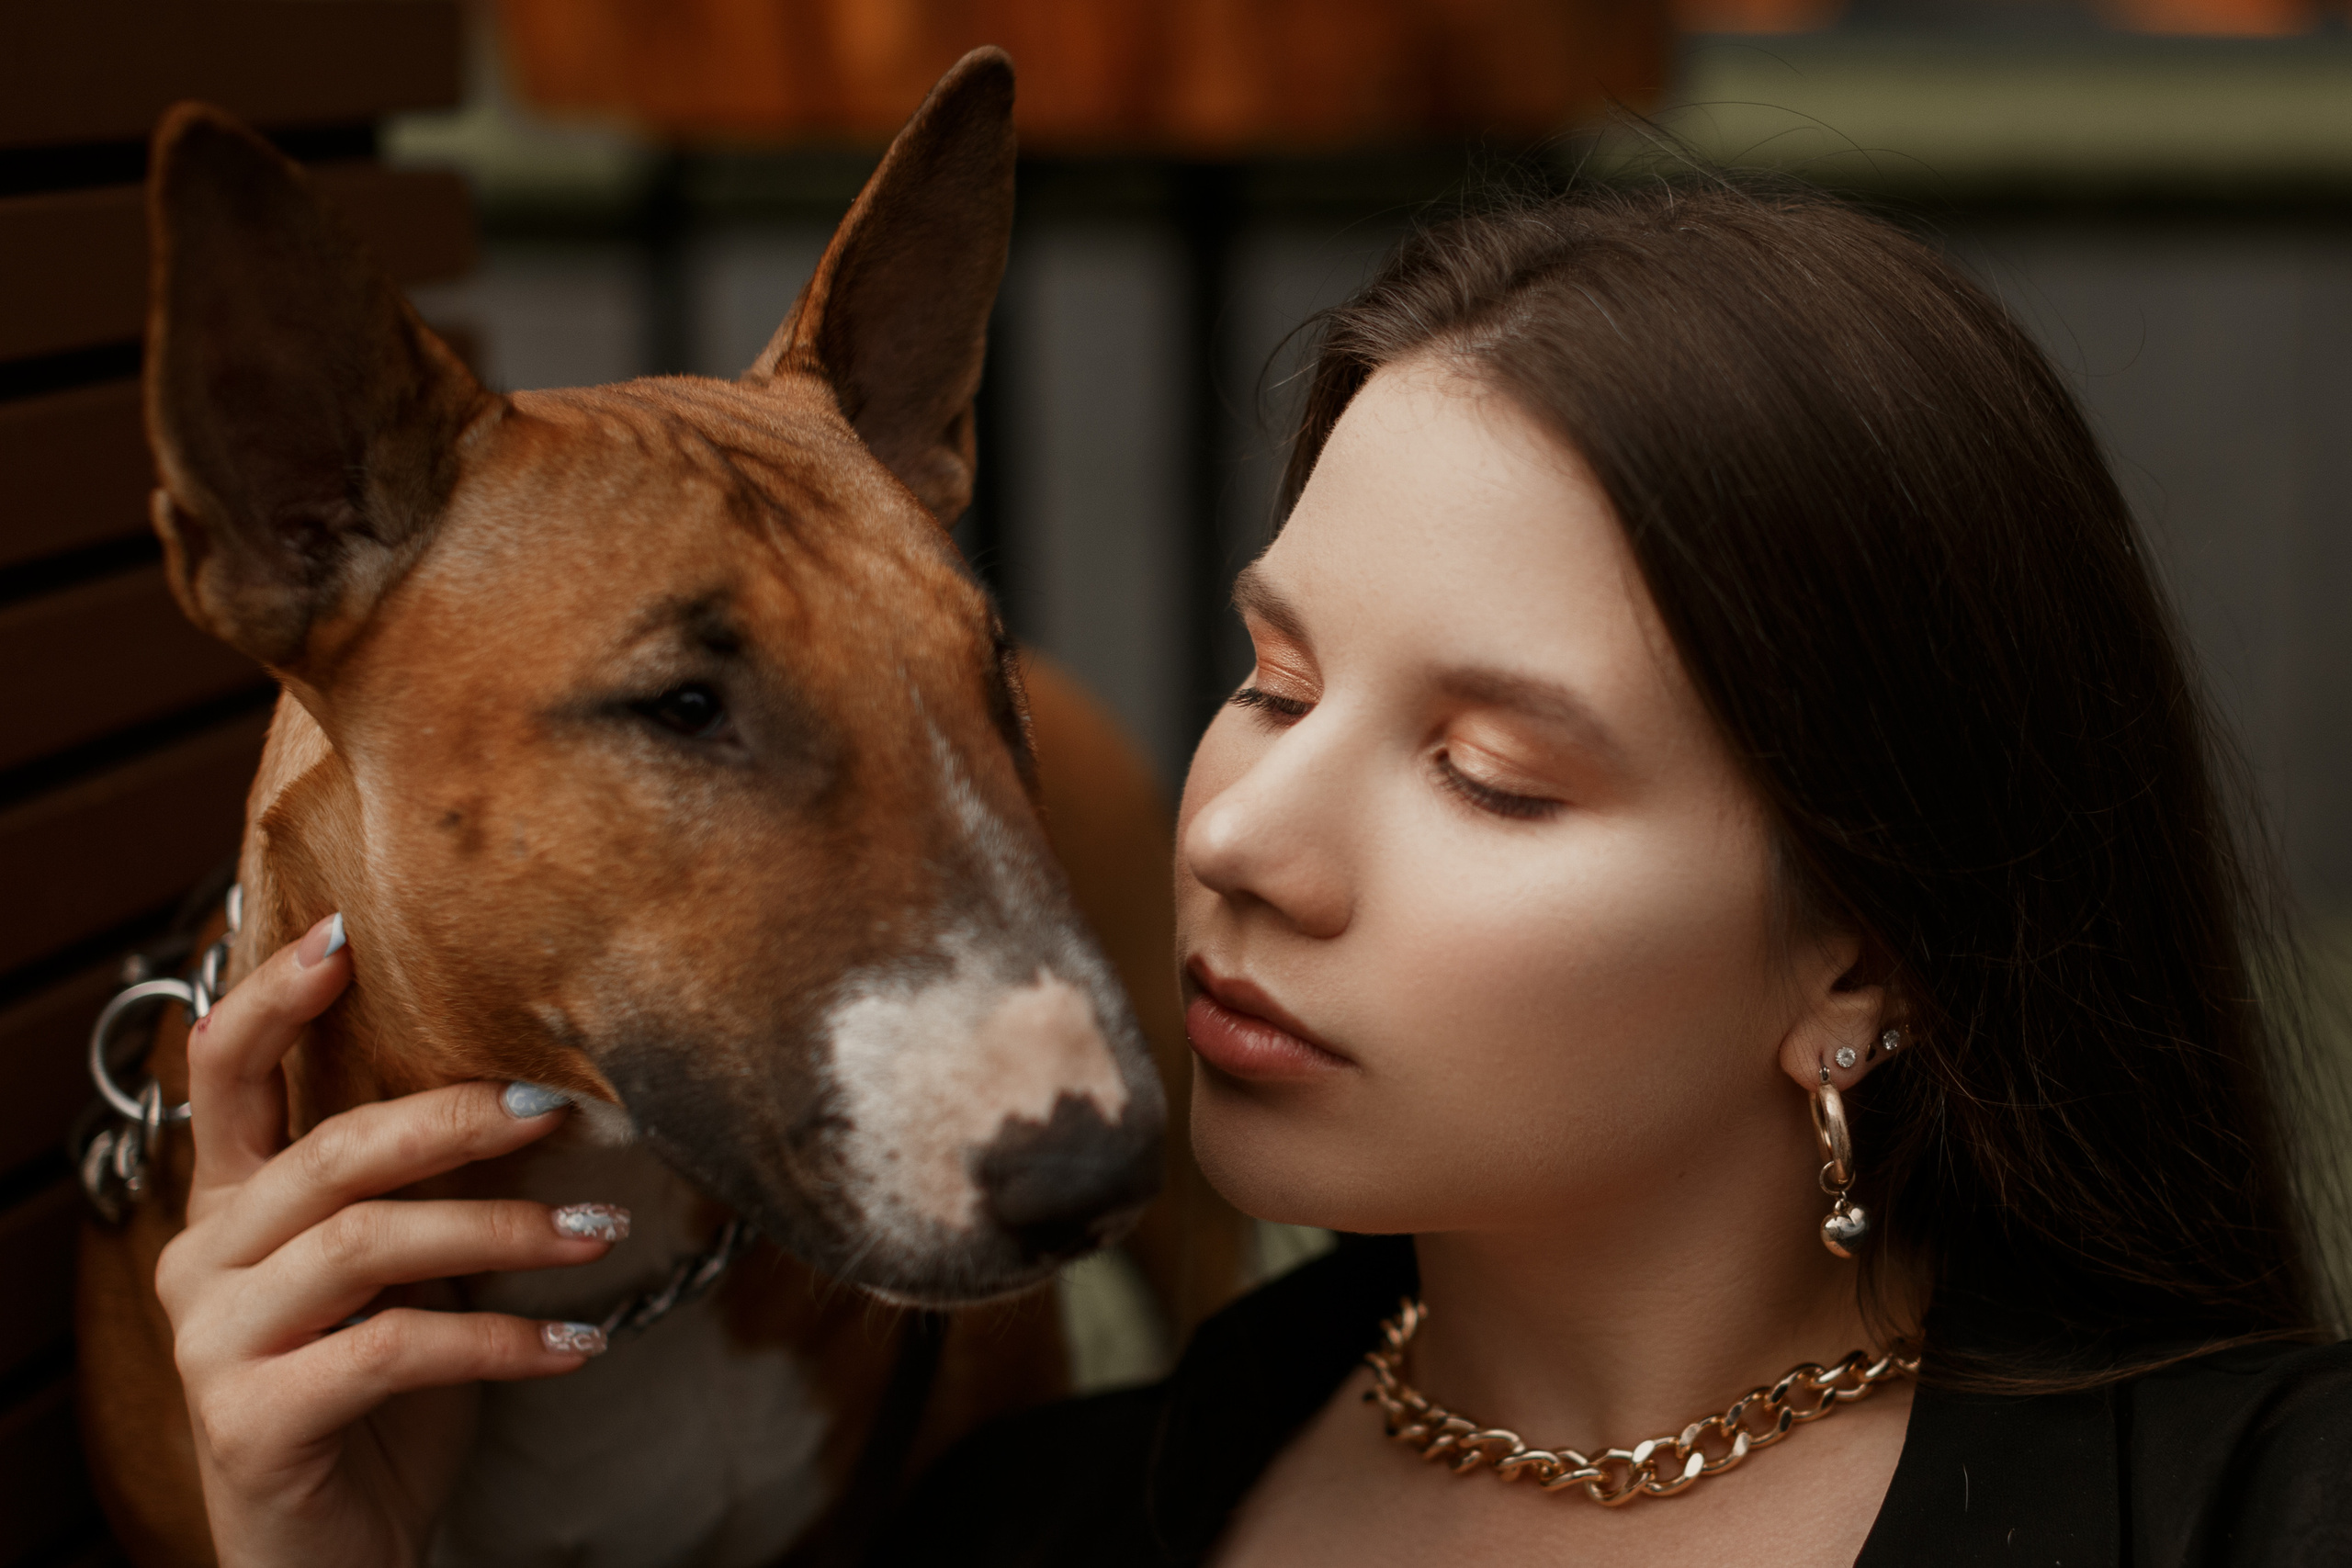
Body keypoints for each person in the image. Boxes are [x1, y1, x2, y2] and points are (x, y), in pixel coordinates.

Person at [162, 178, 2350, 1568]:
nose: (1224, 833)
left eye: (1488, 771)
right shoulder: (1012, 1523)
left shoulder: (2262, 1505)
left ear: (1860, 951)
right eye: (1271, 680)